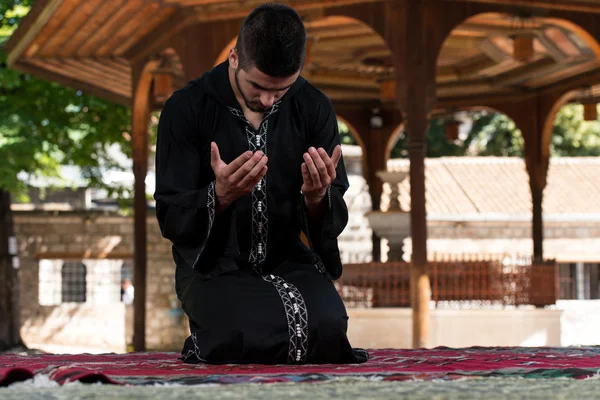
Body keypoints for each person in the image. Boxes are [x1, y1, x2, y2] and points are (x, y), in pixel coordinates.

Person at [154, 3, 368, 365]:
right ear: (234, 57)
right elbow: (170, 211)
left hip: (289, 258)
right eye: (259, 87)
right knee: (236, 332)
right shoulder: (186, 108)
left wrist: (317, 198)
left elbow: (331, 211)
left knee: (329, 327)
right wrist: (218, 196)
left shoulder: (314, 107)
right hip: (214, 264)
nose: (268, 100)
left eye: (281, 90)